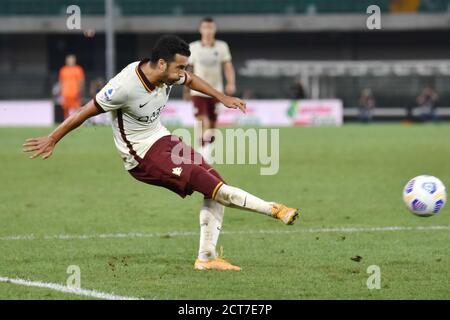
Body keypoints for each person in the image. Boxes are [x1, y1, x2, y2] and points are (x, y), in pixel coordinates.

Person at [23, 35, 299, 271]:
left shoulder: (168, 74)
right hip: (141, 156)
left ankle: (207, 257)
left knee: (214, 182)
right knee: (215, 187)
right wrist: (53, 137)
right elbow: (85, 111)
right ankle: (275, 210)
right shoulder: (124, 86)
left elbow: (191, 80)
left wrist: (222, 97)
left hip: (162, 138)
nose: (182, 72)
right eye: (179, 66)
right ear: (162, 63)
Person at [183, 17, 236, 164]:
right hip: (198, 90)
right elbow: (189, 69)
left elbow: (227, 66)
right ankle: (203, 150)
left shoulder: (222, 46)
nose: (208, 30)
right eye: (205, 27)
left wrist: (231, 83)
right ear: (201, 29)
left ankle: (207, 148)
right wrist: (186, 89)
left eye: (210, 27)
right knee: (202, 119)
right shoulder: (193, 47)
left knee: (213, 122)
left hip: (215, 91)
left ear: (214, 29)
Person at [59, 54, 85, 120]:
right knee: (65, 109)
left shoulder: (78, 69)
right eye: (69, 60)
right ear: (66, 61)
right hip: (66, 93)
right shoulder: (63, 70)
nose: (70, 61)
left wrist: (80, 91)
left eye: (72, 60)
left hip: (75, 93)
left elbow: (81, 81)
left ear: (74, 61)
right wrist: (60, 92)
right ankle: (66, 123)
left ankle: (79, 121)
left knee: (78, 109)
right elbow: (60, 82)